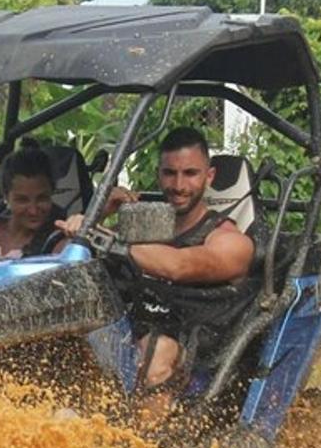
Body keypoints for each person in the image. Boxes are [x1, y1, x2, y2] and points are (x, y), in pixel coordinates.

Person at [56, 127, 255, 419]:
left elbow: (178, 265)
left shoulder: (228, 239)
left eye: (190, 173)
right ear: (159, 174)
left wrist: (106, 238)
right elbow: (63, 261)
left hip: (197, 345)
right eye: (169, 173)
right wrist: (96, 216)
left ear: (209, 177)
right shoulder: (141, 232)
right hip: (131, 325)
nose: (178, 185)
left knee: (157, 350)